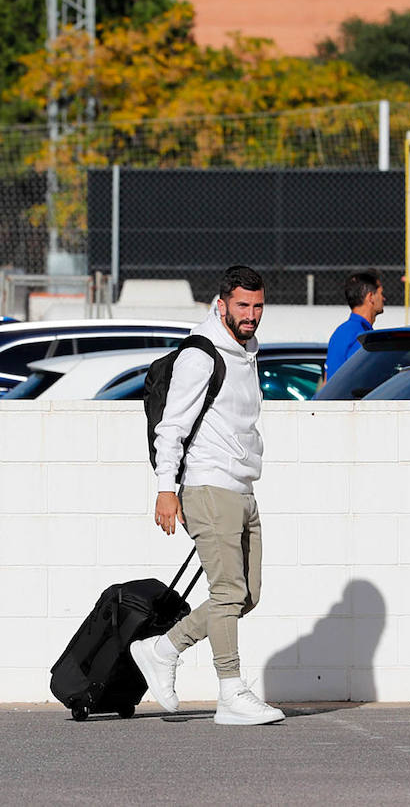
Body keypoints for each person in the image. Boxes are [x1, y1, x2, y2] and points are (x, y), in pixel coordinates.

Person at [129, 265, 285, 726]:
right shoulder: (200, 355)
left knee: (245, 595)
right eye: (242, 305)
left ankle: (161, 649)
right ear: (221, 304)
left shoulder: (246, 350)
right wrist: (165, 490)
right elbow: (171, 427)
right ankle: (231, 691)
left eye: (257, 306)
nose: (251, 314)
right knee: (226, 591)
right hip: (207, 484)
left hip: (241, 486)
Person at [325, 269, 386, 380]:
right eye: (381, 293)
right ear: (370, 297)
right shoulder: (363, 337)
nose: (384, 298)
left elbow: (327, 379)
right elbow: (363, 379)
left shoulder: (340, 332)